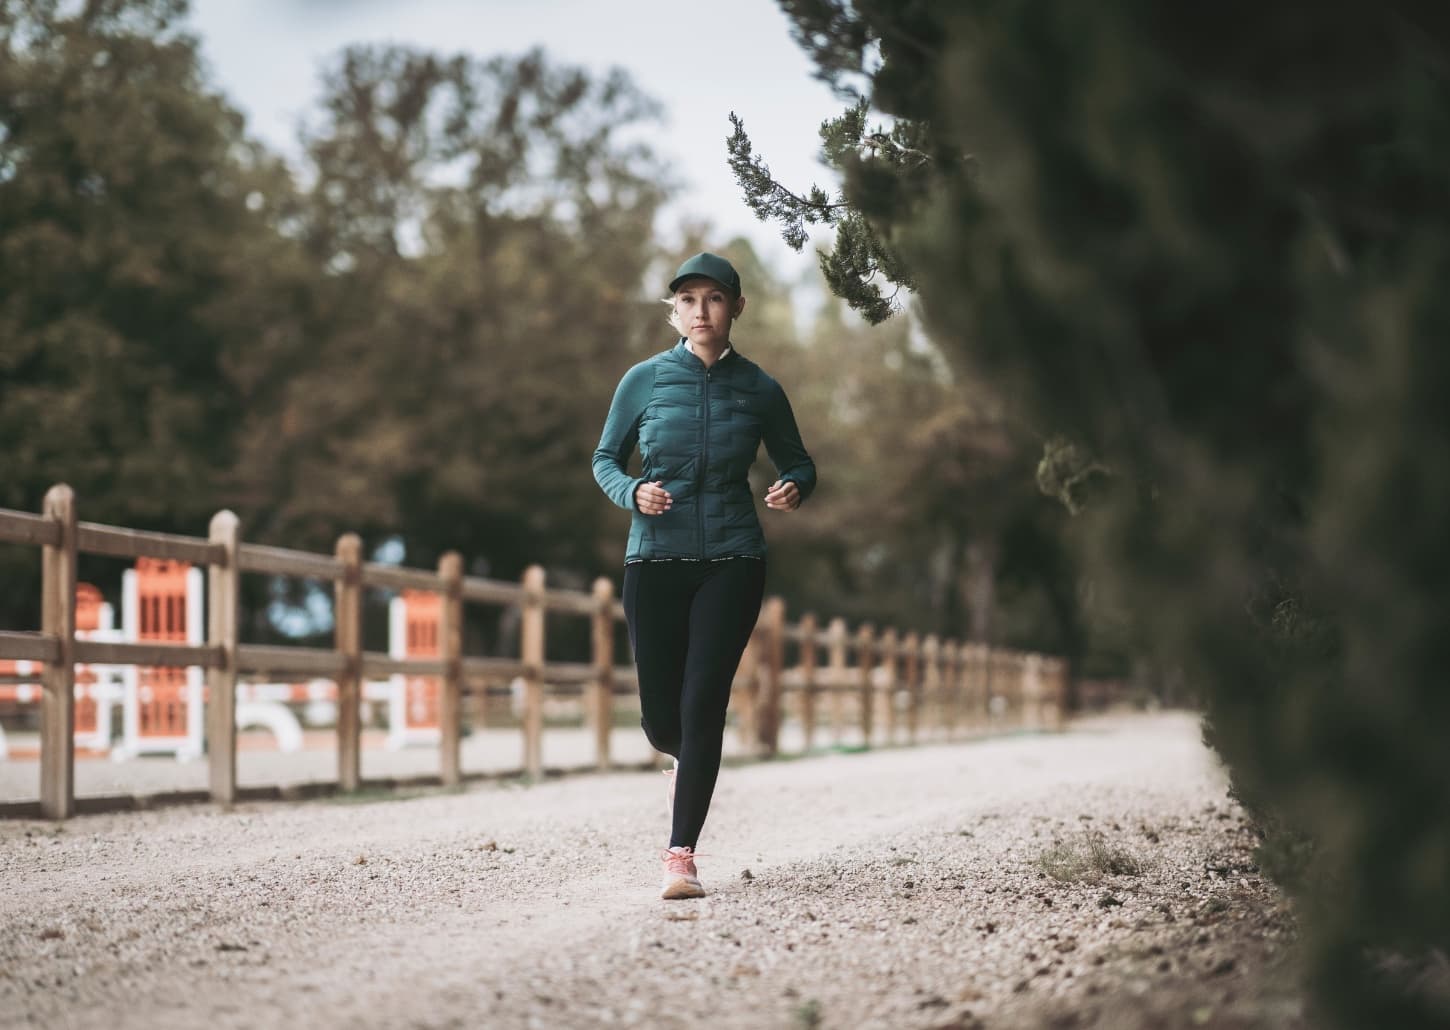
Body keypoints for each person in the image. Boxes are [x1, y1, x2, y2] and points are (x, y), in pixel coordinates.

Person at [592, 252, 816, 900]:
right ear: (675, 311)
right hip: (654, 559)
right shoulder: (644, 380)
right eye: (688, 299)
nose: (700, 311)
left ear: (736, 308)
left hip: (732, 557)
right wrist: (632, 492)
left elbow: (800, 463)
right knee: (663, 721)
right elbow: (606, 458)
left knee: (703, 703)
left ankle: (680, 855)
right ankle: (681, 759)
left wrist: (794, 486)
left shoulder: (761, 389)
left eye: (713, 299)